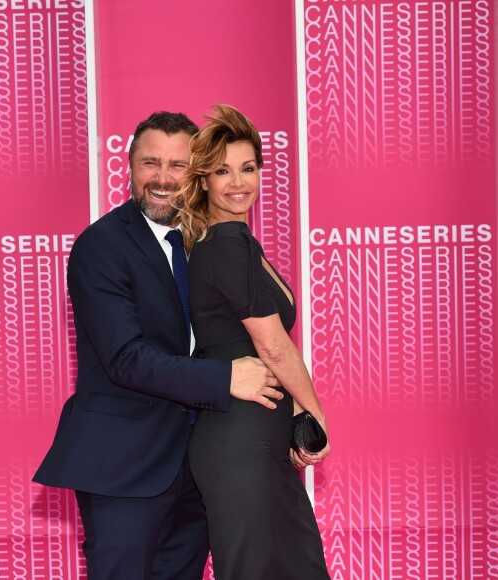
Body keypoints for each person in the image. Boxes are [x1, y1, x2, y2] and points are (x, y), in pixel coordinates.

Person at [33, 111, 284, 580]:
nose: (164, 179)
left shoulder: (204, 241)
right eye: (151, 163)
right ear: (128, 167)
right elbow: (124, 358)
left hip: (199, 468)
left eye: (179, 165)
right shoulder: (101, 246)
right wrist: (228, 378)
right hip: (125, 467)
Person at [175, 104, 331, 579]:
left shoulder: (233, 243)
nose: (237, 183)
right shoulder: (226, 244)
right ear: (203, 181)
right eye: (222, 171)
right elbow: (274, 347)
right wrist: (314, 411)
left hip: (250, 436)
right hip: (240, 441)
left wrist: (295, 412)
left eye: (247, 168)